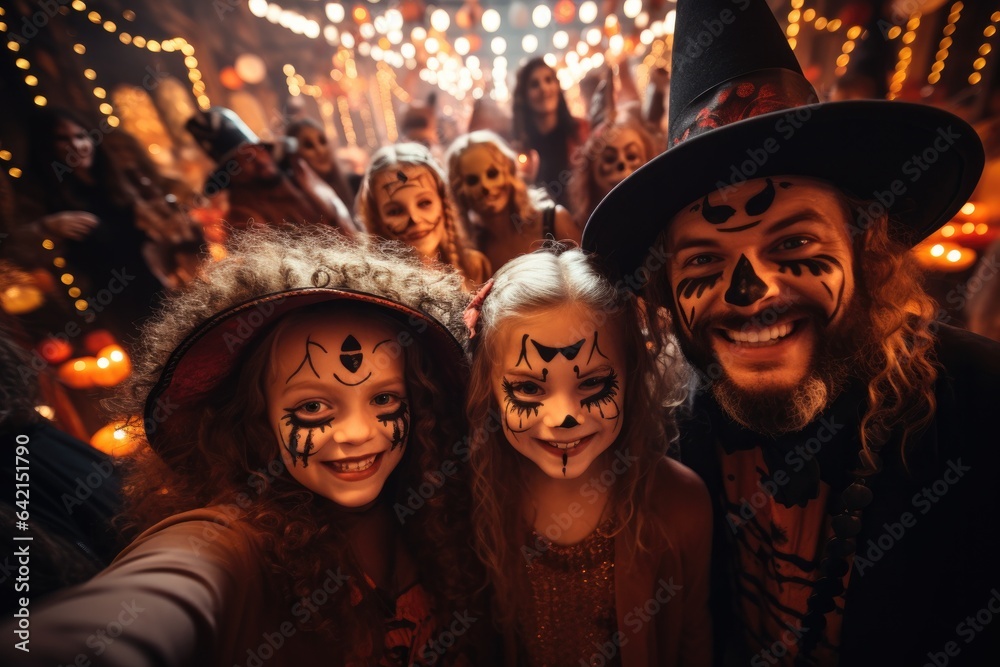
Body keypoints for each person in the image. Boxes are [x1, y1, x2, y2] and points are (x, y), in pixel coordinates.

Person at [582, 1, 1000, 665]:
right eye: (704, 263)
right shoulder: (679, 429)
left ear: (867, 249)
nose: (750, 293)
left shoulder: (980, 413)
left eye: (795, 242)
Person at [1, 227, 487, 666]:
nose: (358, 432)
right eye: (314, 408)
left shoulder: (438, 502)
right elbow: (174, 581)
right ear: (256, 417)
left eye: (383, 398)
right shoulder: (236, 540)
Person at [463, 245, 712, 666]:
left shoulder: (680, 504)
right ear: (487, 387)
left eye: (593, 383)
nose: (563, 417)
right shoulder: (471, 500)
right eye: (528, 388)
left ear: (632, 374)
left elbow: (694, 640)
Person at [186, 107, 356, 236]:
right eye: (246, 159)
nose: (260, 161)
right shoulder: (243, 220)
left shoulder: (300, 181)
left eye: (258, 151)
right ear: (231, 174)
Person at [357, 142, 491, 289]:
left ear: (443, 202)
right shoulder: (373, 286)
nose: (414, 218)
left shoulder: (475, 267)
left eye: (424, 203)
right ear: (377, 219)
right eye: (395, 211)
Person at [445, 131, 576, 271]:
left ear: (509, 171)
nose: (486, 186)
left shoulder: (554, 221)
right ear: (458, 191)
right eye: (472, 180)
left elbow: (591, 283)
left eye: (492, 173)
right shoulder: (474, 250)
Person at [512, 58, 589, 208]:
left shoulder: (582, 131)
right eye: (534, 84)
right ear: (524, 96)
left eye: (549, 80)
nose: (544, 89)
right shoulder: (518, 148)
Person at [567, 117, 658, 231]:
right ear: (591, 172)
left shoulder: (665, 226)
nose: (621, 164)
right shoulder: (573, 231)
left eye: (631, 156)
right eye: (610, 158)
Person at [285, 118, 358, 216]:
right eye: (309, 145)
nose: (320, 150)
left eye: (322, 141)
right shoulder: (296, 205)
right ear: (295, 156)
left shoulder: (356, 183)